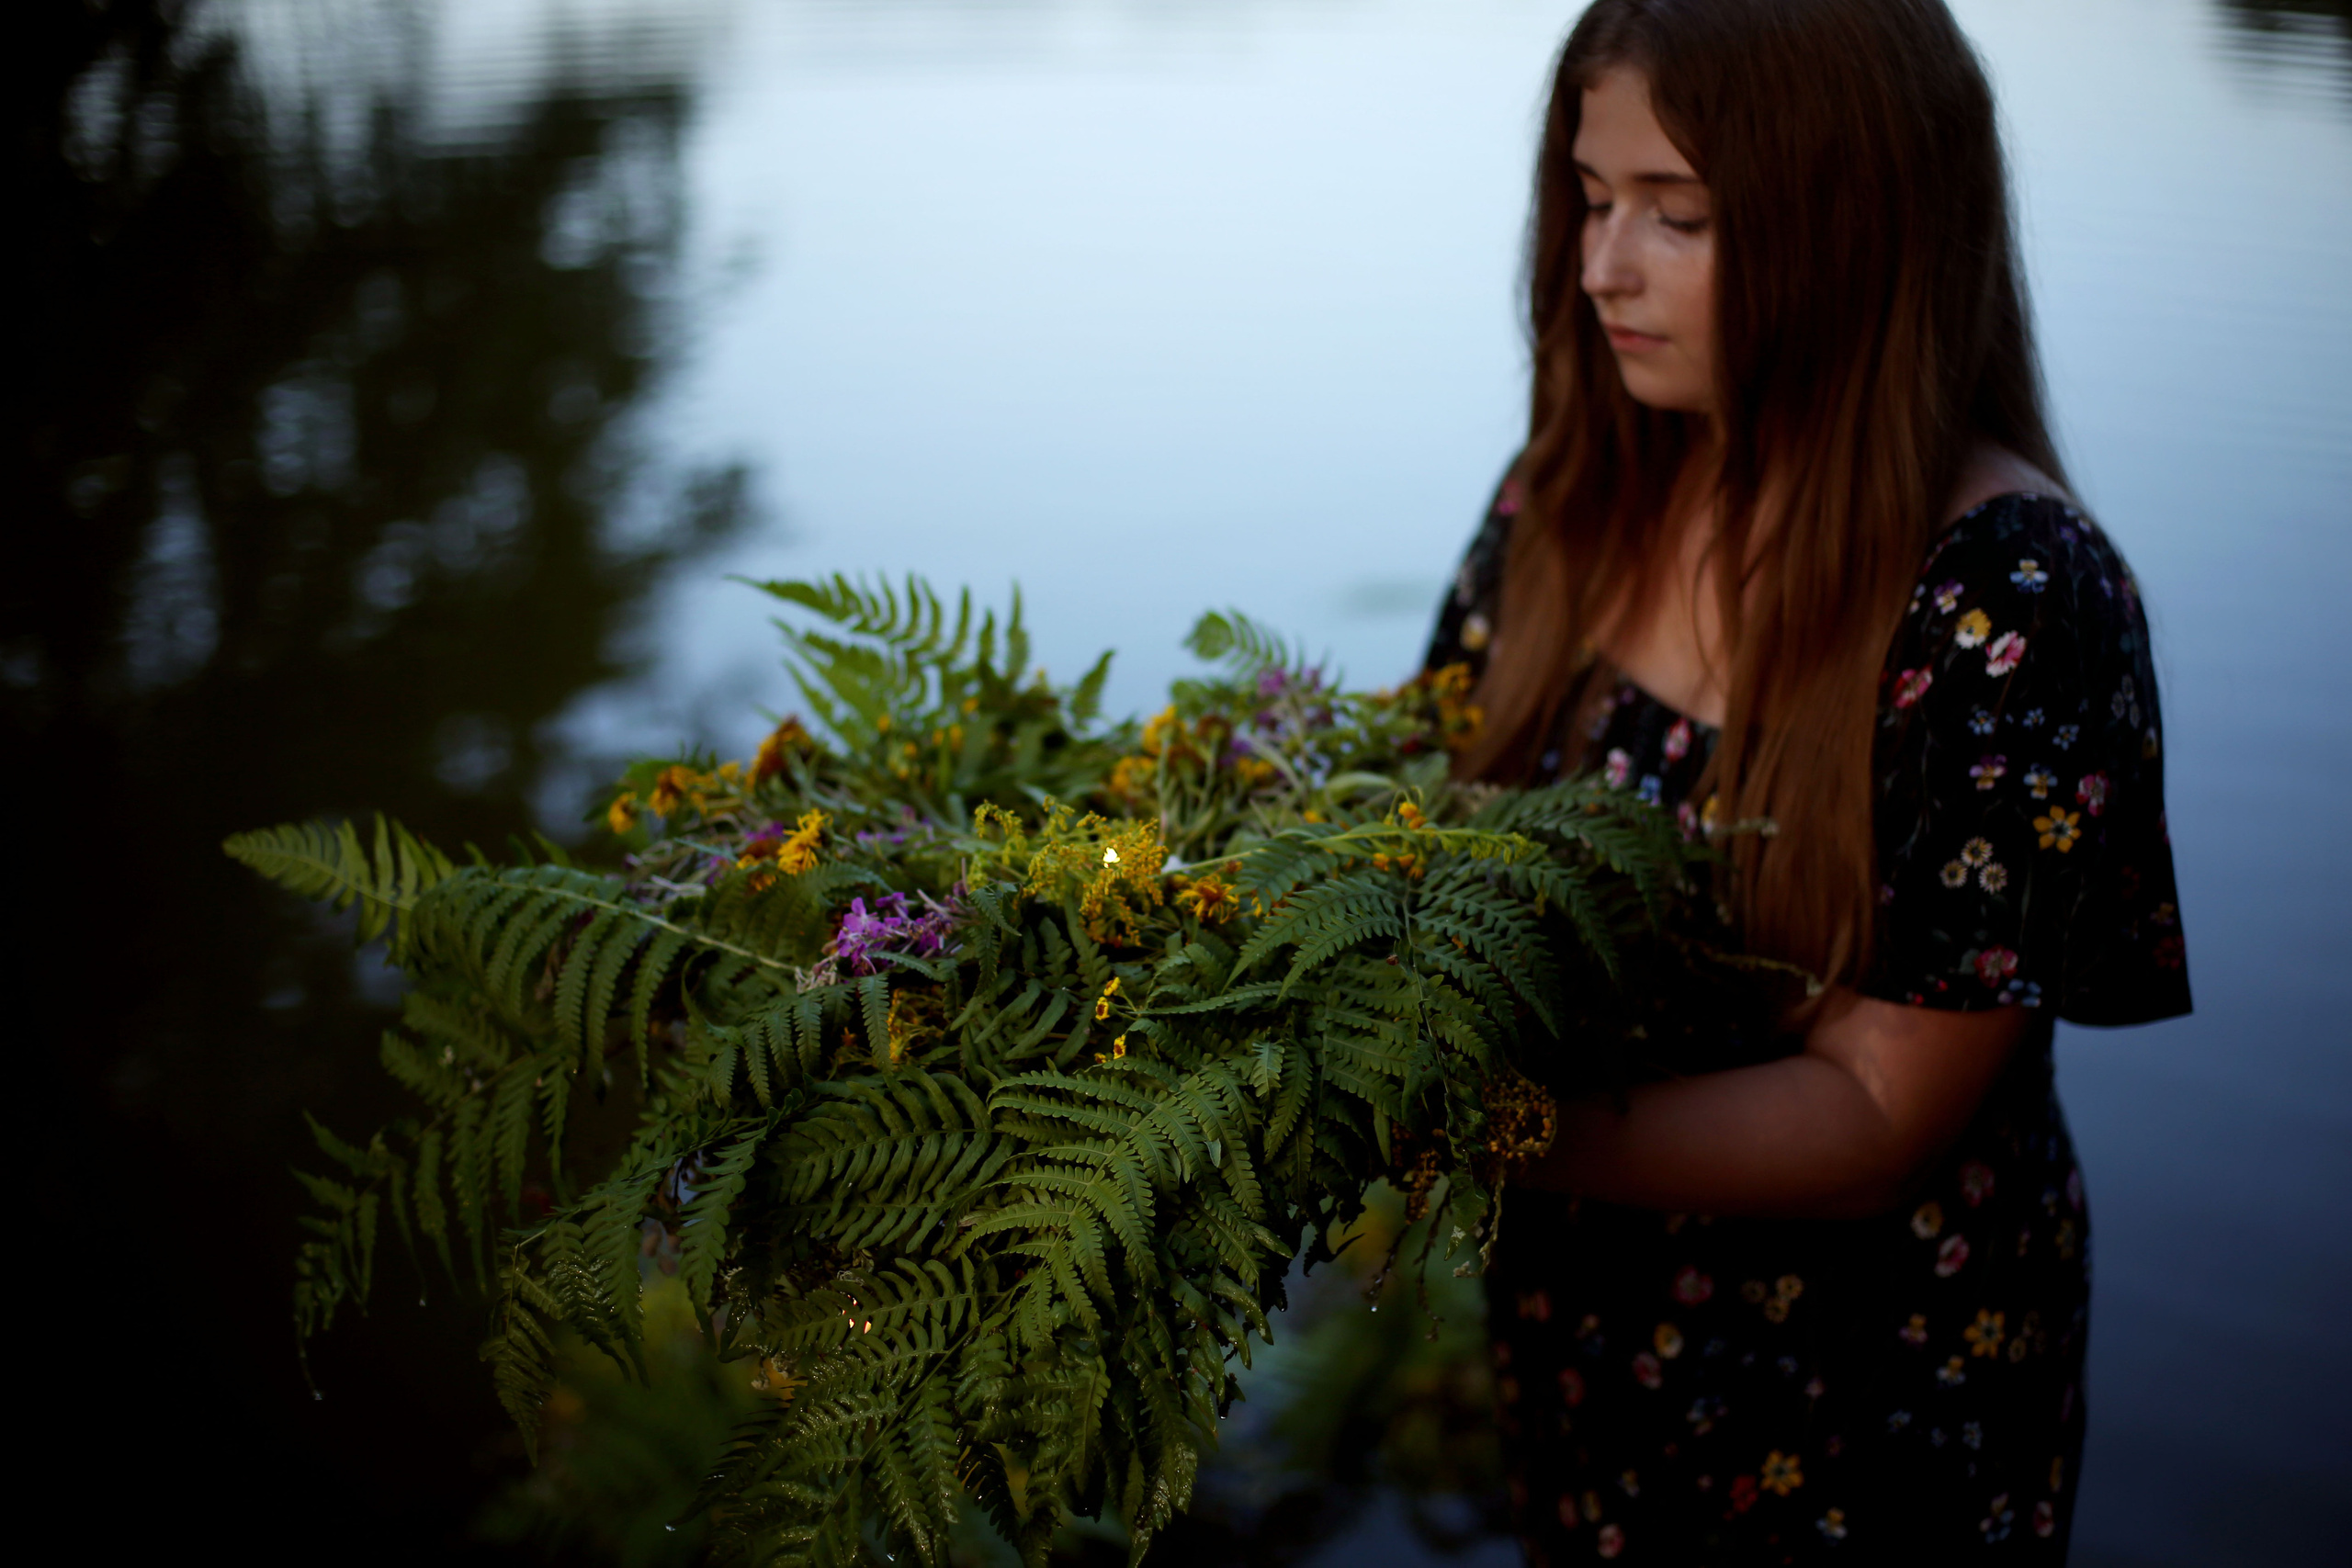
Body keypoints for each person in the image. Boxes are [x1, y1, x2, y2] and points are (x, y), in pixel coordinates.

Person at [1422, 1, 2190, 1560]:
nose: (1599, 268)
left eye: (1676, 216)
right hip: (1584, 1343)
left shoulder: (2011, 601)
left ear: (1851, 230)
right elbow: (1403, 813)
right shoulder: (1578, 493)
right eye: (1590, 195)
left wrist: (1464, 1125)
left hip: (1864, 1396)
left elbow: (1874, 1118)